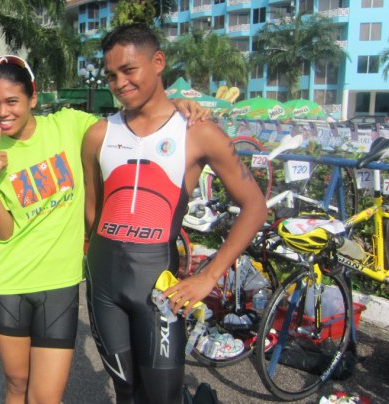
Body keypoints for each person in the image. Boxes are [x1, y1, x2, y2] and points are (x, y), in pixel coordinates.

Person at [0, 55, 207, 403]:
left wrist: (173, 104)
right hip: (9, 282)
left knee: (46, 398)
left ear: (32, 98)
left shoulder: (68, 125)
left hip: (60, 282)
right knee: (16, 386)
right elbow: (4, 231)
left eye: (11, 101)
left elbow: (128, 124)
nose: (2, 111)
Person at [81, 24, 267, 403]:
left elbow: (255, 207)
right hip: (104, 285)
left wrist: (208, 276)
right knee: (125, 392)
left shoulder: (198, 132)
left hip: (157, 286)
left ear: (158, 62)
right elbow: (92, 211)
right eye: (111, 75)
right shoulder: (98, 134)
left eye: (129, 70)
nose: (119, 83)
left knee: (162, 397)